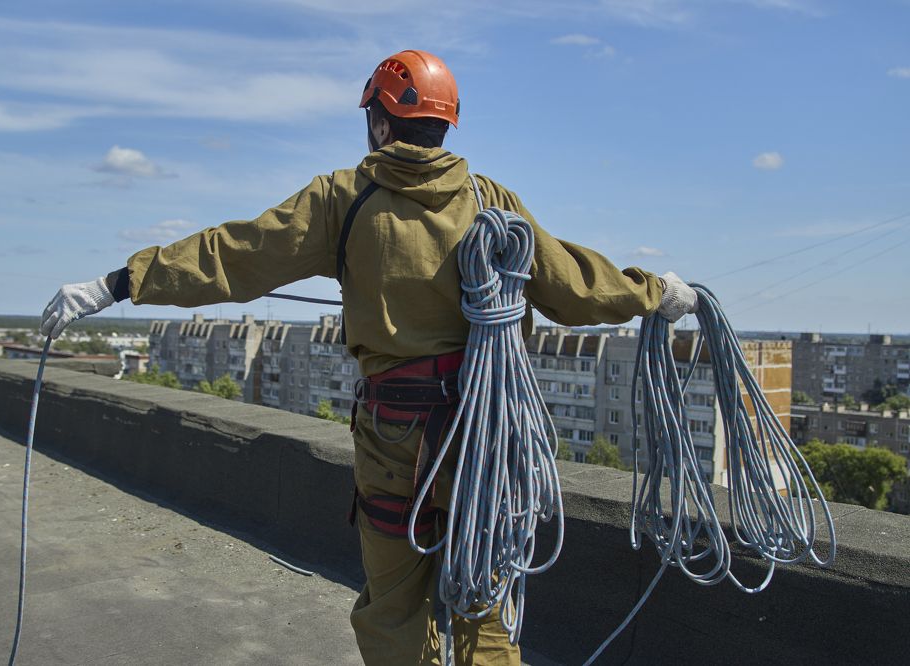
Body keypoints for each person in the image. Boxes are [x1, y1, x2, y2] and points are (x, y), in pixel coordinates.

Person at [41, 50, 697, 666]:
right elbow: (573, 284)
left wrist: (118, 284)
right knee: (484, 613)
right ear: (445, 124)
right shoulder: (493, 204)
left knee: (393, 611)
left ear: (381, 123)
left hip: (396, 441)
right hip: (486, 440)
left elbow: (235, 255)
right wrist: (656, 291)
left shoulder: (343, 198)